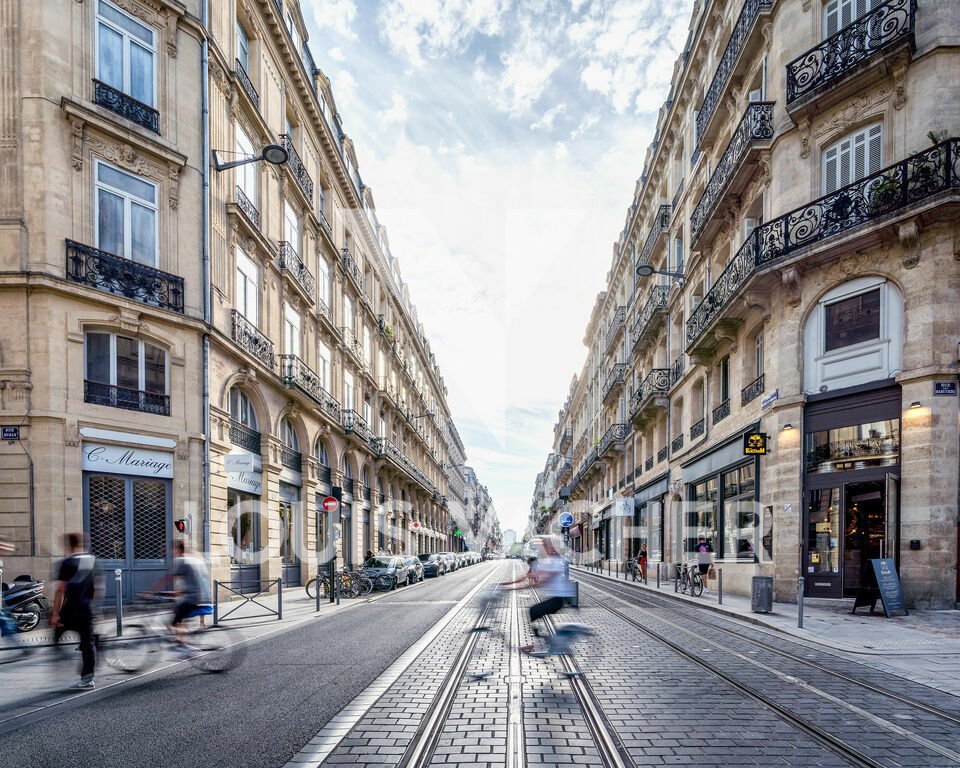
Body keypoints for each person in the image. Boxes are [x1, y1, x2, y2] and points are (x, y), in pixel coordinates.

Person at [503, 537, 575, 653]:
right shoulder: (548, 561)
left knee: (533, 611)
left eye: (546, 546)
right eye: (544, 547)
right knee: (534, 612)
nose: (544, 549)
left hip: (559, 599)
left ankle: (542, 644)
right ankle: (545, 642)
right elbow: (531, 574)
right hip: (554, 598)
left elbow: (545, 579)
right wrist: (508, 584)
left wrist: (521, 587)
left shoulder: (556, 561)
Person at [50, 533, 98, 689]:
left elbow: (61, 590)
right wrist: (95, 608)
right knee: (88, 644)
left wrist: (55, 614)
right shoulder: (92, 561)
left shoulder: (67, 563)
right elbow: (97, 588)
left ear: (69, 546)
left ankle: (60, 659)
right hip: (87, 609)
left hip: (70, 610)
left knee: (57, 633)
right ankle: (87, 679)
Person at [171, 540, 211, 651]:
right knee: (182, 615)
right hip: (198, 594)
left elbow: (171, 578)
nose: (172, 551)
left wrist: (176, 592)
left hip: (192, 595)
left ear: (178, 549)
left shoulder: (182, 561)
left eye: (174, 549)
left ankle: (186, 645)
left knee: (176, 620)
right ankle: (184, 639)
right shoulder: (195, 560)